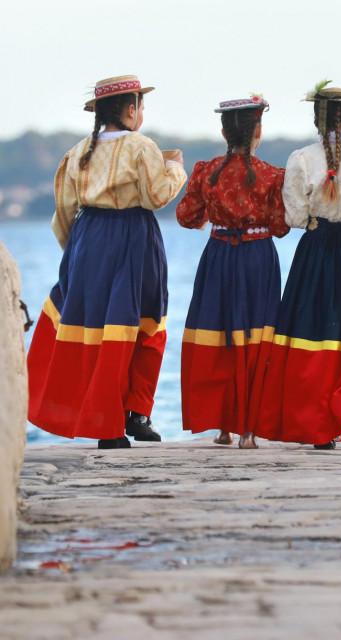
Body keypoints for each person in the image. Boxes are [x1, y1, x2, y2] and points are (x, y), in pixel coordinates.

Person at [27, 75, 187, 449]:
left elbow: (64, 213)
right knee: (142, 323)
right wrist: (176, 167)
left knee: (101, 333)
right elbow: (157, 196)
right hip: (133, 239)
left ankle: (109, 421)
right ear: (131, 110)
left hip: (88, 243)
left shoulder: (79, 151)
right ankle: (135, 413)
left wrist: (79, 256)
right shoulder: (142, 147)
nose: (142, 114)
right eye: (141, 107)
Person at [256, 81, 341, 450]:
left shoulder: (300, 159)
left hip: (318, 248)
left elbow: (295, 217)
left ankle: (319, 429)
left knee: (314, 337)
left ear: (316, 118)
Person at [176, 94, 289, 449]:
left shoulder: (205, 171)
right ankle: (250, 431)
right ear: (257, 132)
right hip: (258, 258)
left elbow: (186, 216)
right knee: (257, 338)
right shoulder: (272, 175)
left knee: (219, 336)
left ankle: (223, 427)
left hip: (218, 256)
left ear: (224, 132)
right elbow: (281, 226)